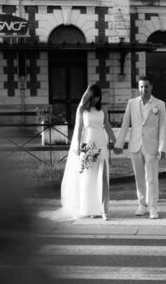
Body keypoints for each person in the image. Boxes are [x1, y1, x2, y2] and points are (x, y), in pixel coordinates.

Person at [40, 84, 116, 221]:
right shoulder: (82, 110)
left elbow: (108, 127)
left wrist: (116, 141)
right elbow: (79, 129)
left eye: (98, 97)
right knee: (88, 178)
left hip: (101, 145)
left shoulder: (103, 109)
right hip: (87, 145)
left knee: (102, 177)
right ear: (89, 97)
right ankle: (90, 209)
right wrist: (78, 147)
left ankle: (103, 210)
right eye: (94, 97)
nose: (96, 100)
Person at [113, 75, 166, 219]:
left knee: (152, 178)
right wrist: (119, 143)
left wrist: (162, 147)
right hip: (135, 145)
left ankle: (153, 207)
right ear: (138, 88)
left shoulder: (159, 104)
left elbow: (163, 127)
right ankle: (142, 204)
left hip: (152, 146)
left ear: (151, 87)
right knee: (139, 178)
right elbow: (125, 124)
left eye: (146, 86)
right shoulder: (131, 103)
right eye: (141, 86)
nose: (144, 89)